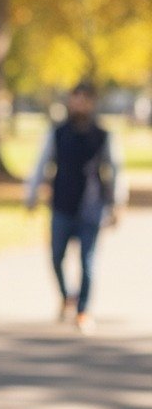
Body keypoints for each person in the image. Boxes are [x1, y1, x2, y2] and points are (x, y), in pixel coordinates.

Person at [25, 81, 127, 332]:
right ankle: (66, 296)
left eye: (84, 98)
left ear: (92, 102)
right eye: (75, 98)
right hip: (61, 205)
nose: (78, 103)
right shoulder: (57, 133)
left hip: (91, 207)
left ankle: (83, 310)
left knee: (87, 262)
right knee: (56, 257)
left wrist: (117, 204)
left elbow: (114, 170)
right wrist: (32, 194)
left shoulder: (103, 135)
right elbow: (42, 164)